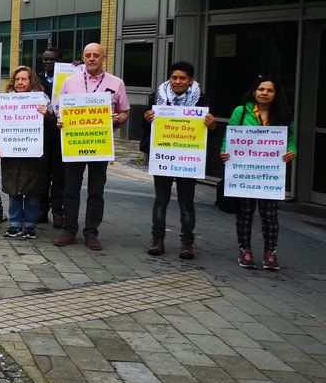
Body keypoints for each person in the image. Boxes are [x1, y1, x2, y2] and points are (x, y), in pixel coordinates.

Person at [53, 42, 130, 251]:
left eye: (96, 55)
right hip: (75, 143)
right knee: (70, 189)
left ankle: (91, 233)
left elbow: (124, 112)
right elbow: (59, 108)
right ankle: (69, 230)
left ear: (103, 58)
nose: (92, 58)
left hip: (100, 144)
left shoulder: (116, 83)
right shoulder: (70, 82)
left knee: (96, 190)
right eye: (88, 55)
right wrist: (60, 119)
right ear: (83, 58)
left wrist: (118, 118)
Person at [220, 76, 297, 271]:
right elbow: (229, 134)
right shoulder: (242, 110)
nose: (264, 93)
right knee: (245, 213)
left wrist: (292, 151)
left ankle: (270, 253)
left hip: (270, 174)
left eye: (269, 90)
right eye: (261, 89)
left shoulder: (283, 114)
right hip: (245, 172)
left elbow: (291, 139)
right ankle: (245, 250)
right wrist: (224, 151)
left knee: (269, 214)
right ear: (254, 91)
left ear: (276, 94)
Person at [140, 61, 215, 260]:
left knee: (186, 202)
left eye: (182, 78)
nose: (178, 82)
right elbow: (146, 128)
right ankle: (157, 241)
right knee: (160, 200)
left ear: (191, 80)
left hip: (188, 158)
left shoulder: (201, 100)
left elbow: (208, 134)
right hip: (164, 156)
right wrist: (146, 119)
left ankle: (187, 244)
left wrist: (212, 125)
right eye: (174, 77)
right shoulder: (157, 97)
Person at [0, 66, 50, 239]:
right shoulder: (6, 102)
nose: (20, 83)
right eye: (17, 79)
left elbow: (55, 127)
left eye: (24, 79)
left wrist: (47, 115)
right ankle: (15, 224)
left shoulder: (43, 101)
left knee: (32, 192)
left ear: (31, 81)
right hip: (12, 156)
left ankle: (30, 226)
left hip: (34, 157)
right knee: (13, 191)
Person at [39, 46, 65, 228]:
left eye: (52, 59)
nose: (48, 62)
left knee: (59, 175)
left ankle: (58, 211)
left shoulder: (68, 79)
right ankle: (42, 209)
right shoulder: (37, 79)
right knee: (42, 174)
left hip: (61, 134)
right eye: (46, 59)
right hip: (41, 134)